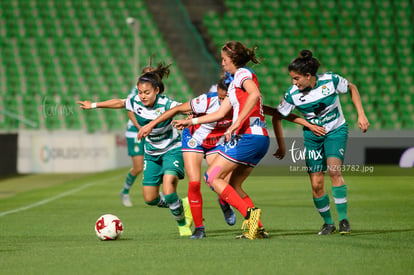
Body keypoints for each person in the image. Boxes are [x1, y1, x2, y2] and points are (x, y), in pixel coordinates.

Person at [173, 41, 285, 240]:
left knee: (211, 177)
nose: (222, 63)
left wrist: (236, 123)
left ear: (233, 59)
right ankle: (256, 228)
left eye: (224, 59)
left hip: (248, 137)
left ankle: (250, 218)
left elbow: (255, 94)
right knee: (233, 185)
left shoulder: (242, 74)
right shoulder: (234, 83)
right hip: (259, 139)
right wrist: (191, 121)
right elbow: (219, 113)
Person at [77, 63, 193, 237]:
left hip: (172, 148)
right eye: (140, 92)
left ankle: (183, 224)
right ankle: (181, 204)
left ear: (157, 90)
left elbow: (190, 108)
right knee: (150, 199)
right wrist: (93, 105)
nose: (143, 96)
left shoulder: (168, 103)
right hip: (152, 152)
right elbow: (119, 102)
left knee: (168, 189)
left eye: (147, 93)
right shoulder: (135, 101)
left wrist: (190, 118)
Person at [274, 49, 369, 235]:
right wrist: (306, 124)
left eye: (296, 78)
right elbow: (279, 116)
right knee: (316, 183)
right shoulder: (292, 94)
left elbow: (352, 87)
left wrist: (361, 114)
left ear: (308, 76)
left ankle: (343, 220)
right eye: (292, 79)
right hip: (312, 138)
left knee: (334, 170)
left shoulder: (331, 80)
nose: (294, 83)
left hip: (336, 131)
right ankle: (328, 223)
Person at [137, 76, 237, 239]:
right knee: (193, 183)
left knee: (219, 180)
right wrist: (94, 105)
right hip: (194, 140)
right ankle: (198, 227)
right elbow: (181, 109)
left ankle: (223, 203)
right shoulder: (206, 99)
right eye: (219, 97)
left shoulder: (239, 102)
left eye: (225, 98)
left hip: (214, 141)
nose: (222, 101)